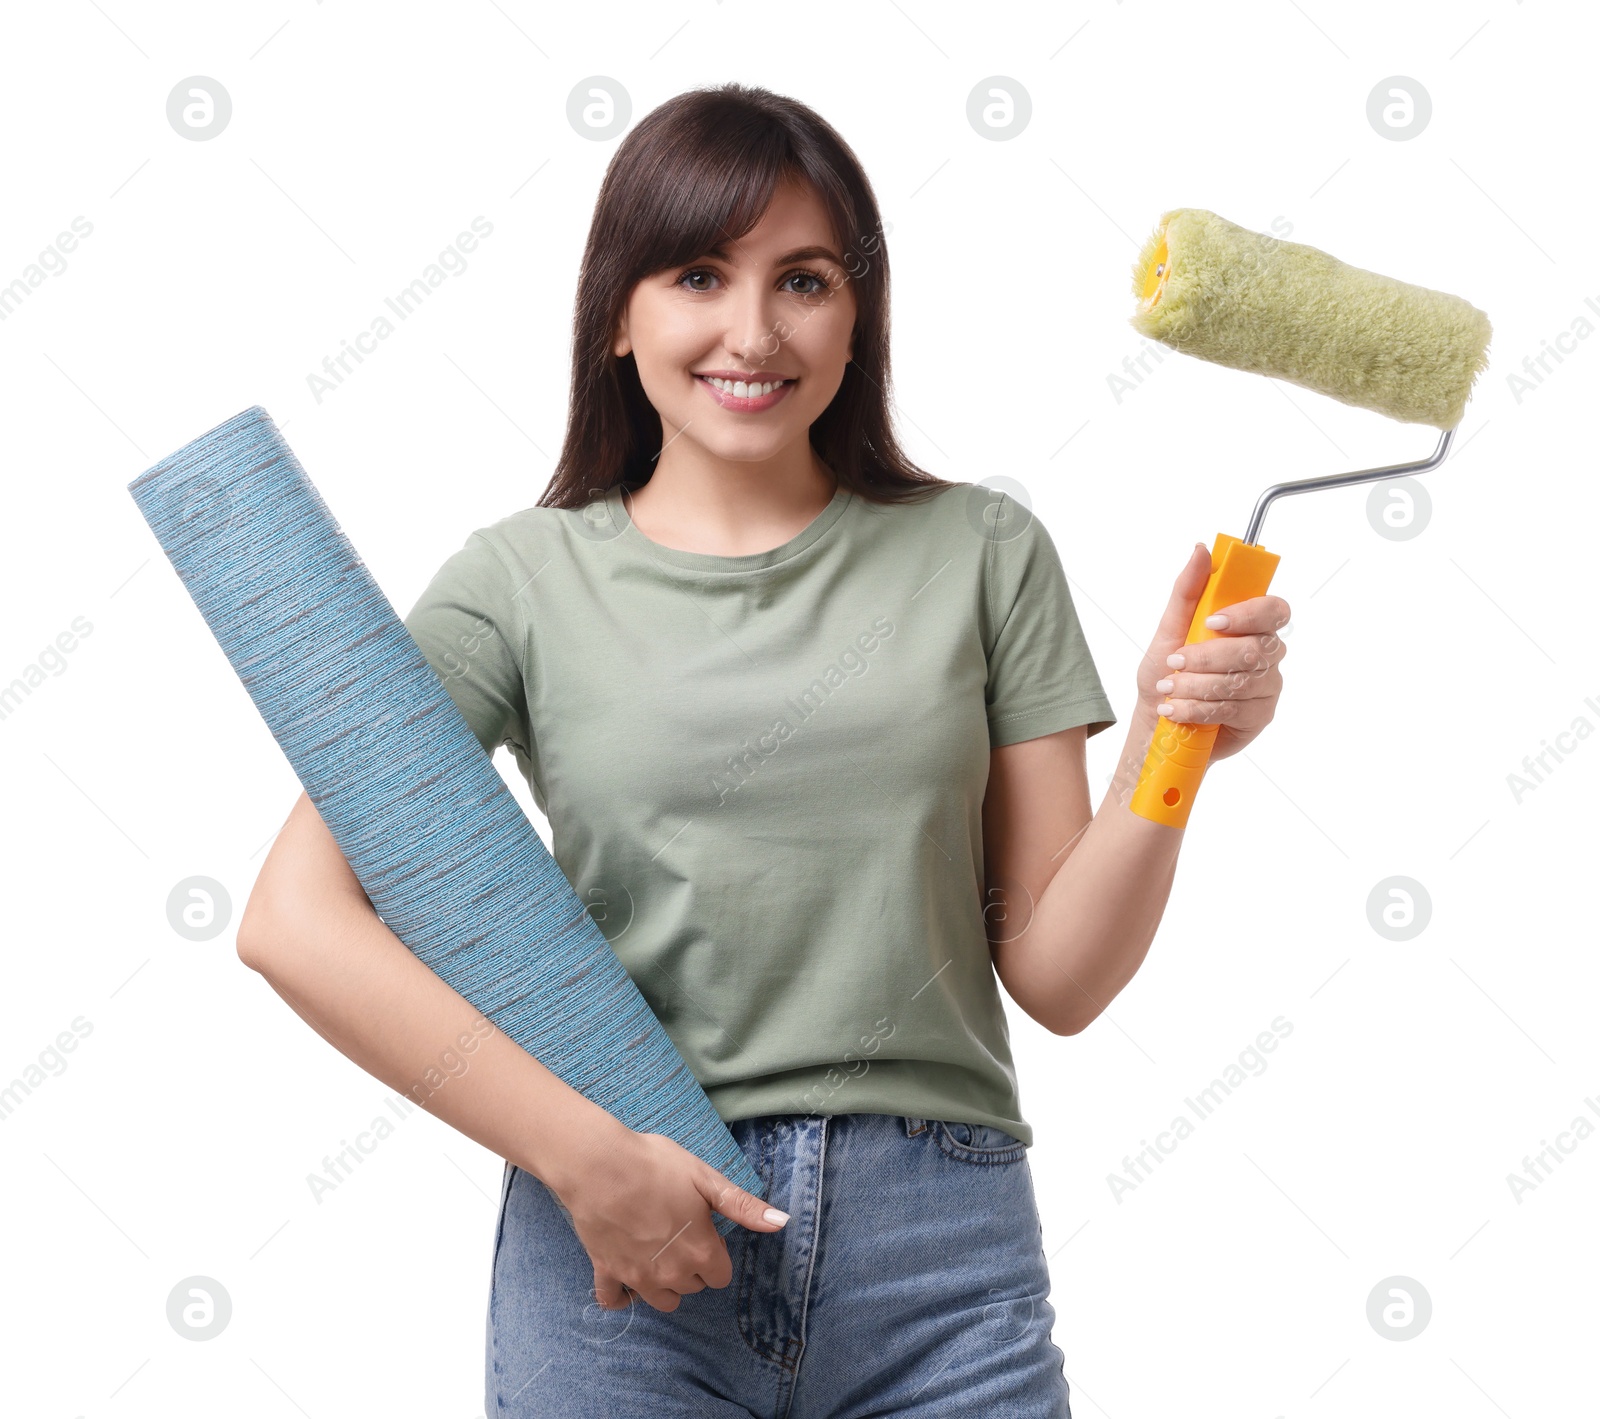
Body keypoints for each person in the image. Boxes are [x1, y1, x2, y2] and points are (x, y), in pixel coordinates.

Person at [238, 81, 1288, 1418]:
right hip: (625, 1246)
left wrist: (1168, 735)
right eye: (696, 275)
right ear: (619, 315)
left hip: (941, 1261)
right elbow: (292, 918)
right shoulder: (516, 583)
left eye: (802, 280)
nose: (752, 331)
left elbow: (1060, 974)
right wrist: (584, 1160)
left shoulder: (982, 553)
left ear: (859, 318)